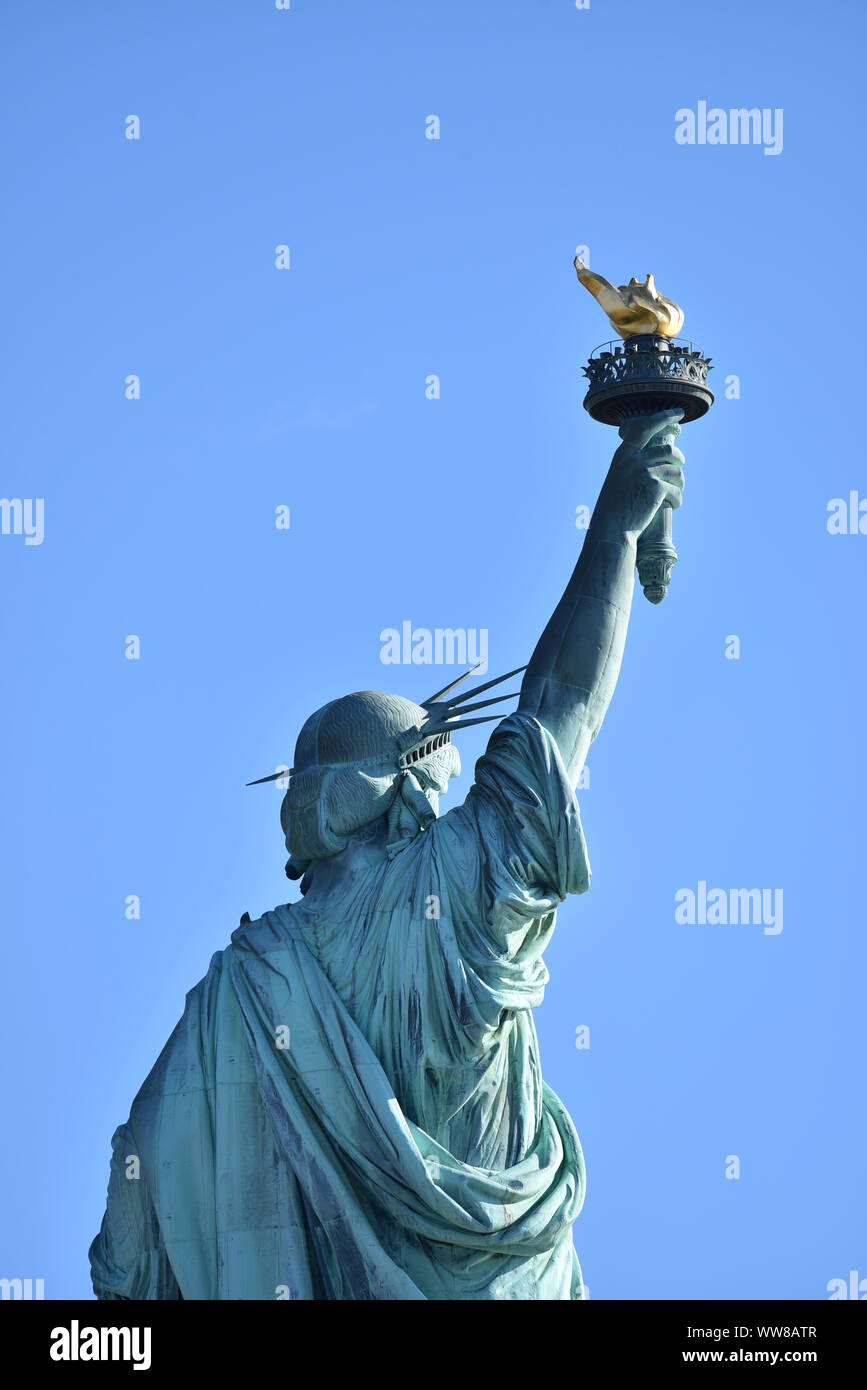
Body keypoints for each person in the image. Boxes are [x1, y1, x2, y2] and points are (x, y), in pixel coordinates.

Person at [89, 409, 685, 1300]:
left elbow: (133, 1204)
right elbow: (560, 710)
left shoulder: (242, 989)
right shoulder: (452, 889)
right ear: (407, 789)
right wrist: (615, 530)